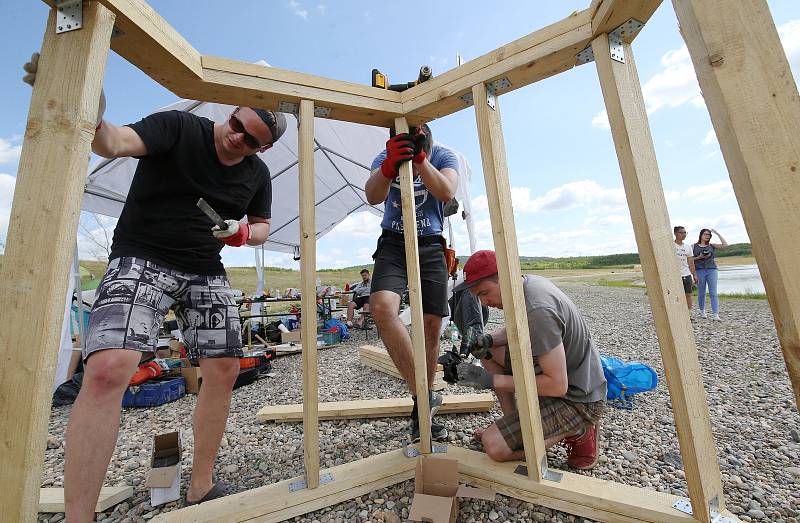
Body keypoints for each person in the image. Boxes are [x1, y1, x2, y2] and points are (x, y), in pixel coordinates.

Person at [23, 53, 288, 518]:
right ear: (230, 113)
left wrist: (243, 233)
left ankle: (201, 485)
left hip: (204, 267)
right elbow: (113, 142)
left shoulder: (256, 175)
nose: (235, 137)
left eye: (249, 140)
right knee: (108, 369)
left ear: (262, 150)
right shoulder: (179, 128)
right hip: (141, 255)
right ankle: (79, 516)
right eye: (235, 123)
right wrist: (93, 110)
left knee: (225, 366)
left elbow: (264, 225)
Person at [453, 250, 607, 468]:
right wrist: (487, 340)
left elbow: (557, 386)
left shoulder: (538, 309)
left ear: (504, 277)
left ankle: (578, 429)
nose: (485, 302)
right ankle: (516, 427)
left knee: (495, 446)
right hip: (566, 381)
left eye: (485, 293)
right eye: (479, 297)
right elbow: (518, 329)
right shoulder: (526, 286)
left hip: (577, 399)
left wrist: (488, 380)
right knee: (487, 353)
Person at [364, 124, 458, 442]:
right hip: (393, 241)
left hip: (430, 241)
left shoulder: (444, 155)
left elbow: (446, 191)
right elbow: (373, 194)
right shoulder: (385, 156)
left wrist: (420, 161)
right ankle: (423, 395)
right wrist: (390, 165)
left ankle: (422, 404)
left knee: (431, 324)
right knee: (382, 308)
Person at [693, 228, 728, 321]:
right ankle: (702, 311)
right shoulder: (694, 246)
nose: (707, 236)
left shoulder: (711, 246)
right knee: (701, 292)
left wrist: (717, 233)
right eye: (705, 234)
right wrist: (699, 257)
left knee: (713, 293)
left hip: (712, 270)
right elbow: (689, 260)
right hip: (699, 270)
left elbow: (725, 245)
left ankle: (716, 314)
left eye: (709, 235)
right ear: (701, 235)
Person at [673, 226, 698, 313]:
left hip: (686, 274)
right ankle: (677, 313)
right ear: (675, 233)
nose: (684, 235)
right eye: (681, 233)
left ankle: (688, 314)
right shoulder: (671, 245)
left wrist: (694, 275)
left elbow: (691, 262)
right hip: (674, 275)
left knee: (688, 294)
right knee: (675, 295)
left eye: (685, 233)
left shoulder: (688, 247)